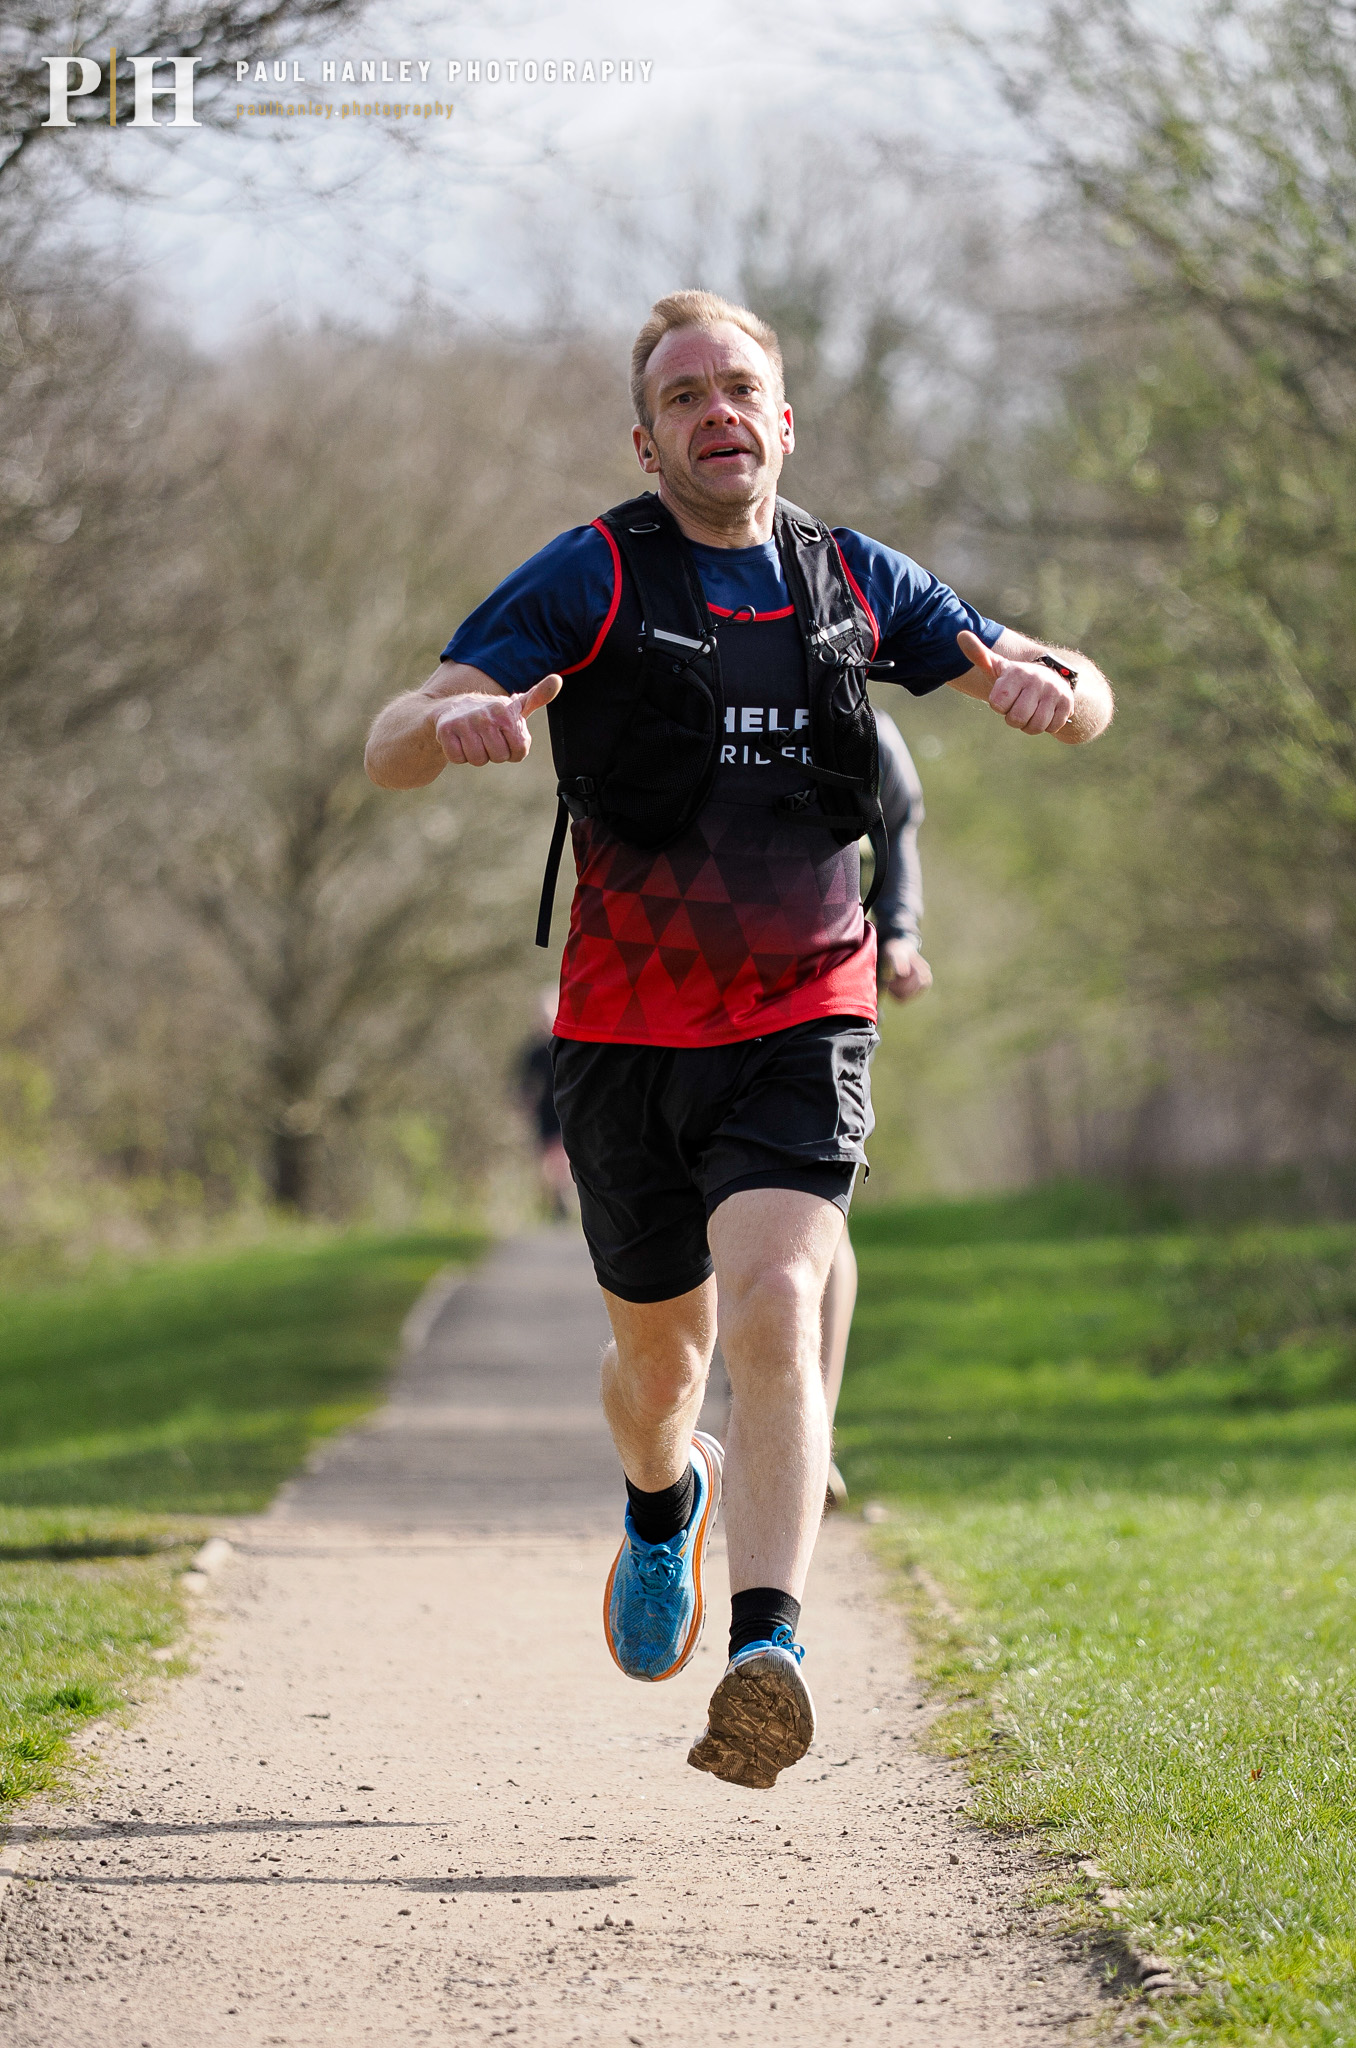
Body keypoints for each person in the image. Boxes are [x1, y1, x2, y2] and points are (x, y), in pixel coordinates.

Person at [363, 289, 1114, 1792]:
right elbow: (390, 736)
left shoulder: (857, 579)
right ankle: (663, 1501)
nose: (718, 412)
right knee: (661, 1372)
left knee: (779, 1295)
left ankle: (767, 1653)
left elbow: (1083, 690)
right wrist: (445, 730)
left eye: (742, 389)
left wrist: (1055, 690)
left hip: (803, 1007)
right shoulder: (590, 575)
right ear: (648, 441)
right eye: (687, 395)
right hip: (625, 1035)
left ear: (784, 421)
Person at [820, 708, 931, 1512]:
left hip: (822, 990)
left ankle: (807, 1428)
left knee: (817, 1214)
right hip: (676, 991)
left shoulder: (867, 729)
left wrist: (898, 935)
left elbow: (899, 837)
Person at [510, 986, 577, 1219]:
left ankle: (563, 1195)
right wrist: (524, 1105)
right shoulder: (534, 1052)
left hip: (566, 1110)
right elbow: (525, 1084)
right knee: (548, 1159)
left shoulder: (569, 1045)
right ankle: (557, 1199)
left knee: (563, 1155)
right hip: (545, 1111)